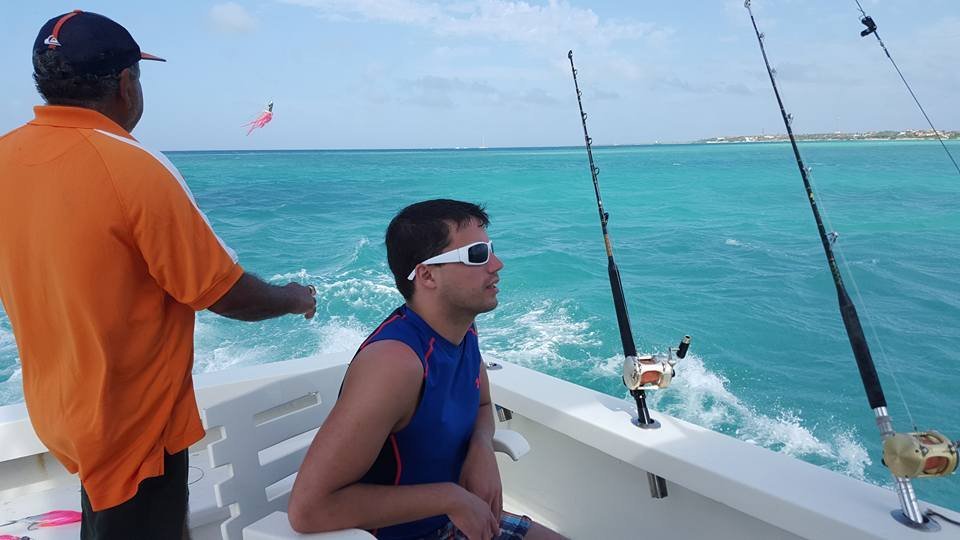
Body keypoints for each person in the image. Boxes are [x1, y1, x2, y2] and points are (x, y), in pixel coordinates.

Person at [0, 11, 317, 540]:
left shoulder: (7, 157)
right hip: (134, 429)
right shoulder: (135, 168)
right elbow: (222, 292)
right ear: (126, 83)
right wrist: (293, 297)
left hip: (61, 412)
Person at [288, 200, 564, 540]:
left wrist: (481, 448)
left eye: (490, 250)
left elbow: (480, 404)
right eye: (477, 255)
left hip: (450, 521)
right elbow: (308, 509)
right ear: (427, 275)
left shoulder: (461, 331)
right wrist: (450, 498)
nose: (497, 264)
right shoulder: (394, 364)